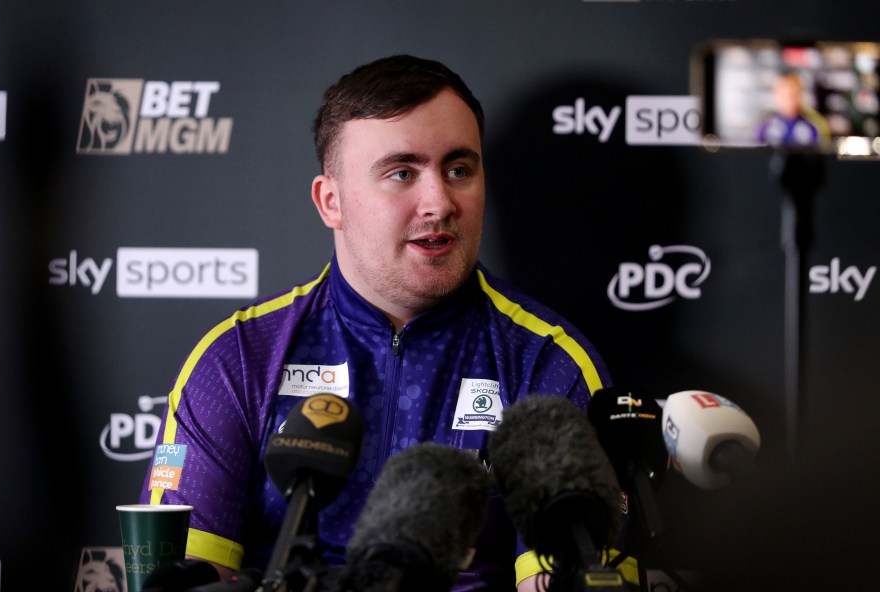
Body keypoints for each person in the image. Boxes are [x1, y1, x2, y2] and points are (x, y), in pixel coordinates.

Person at [139, 55, 617, 591]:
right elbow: (183, 578)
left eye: (459, 169)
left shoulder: (548, 364)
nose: (439, 202)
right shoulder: (238, 357)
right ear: (331, 201)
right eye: (402, 173)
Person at [756, 71, 829, 149]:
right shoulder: (765, 125)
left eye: (795, 94)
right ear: (776, 94)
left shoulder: (814, 124)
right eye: (785, 95)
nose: (790, 100)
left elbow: (823, 153)